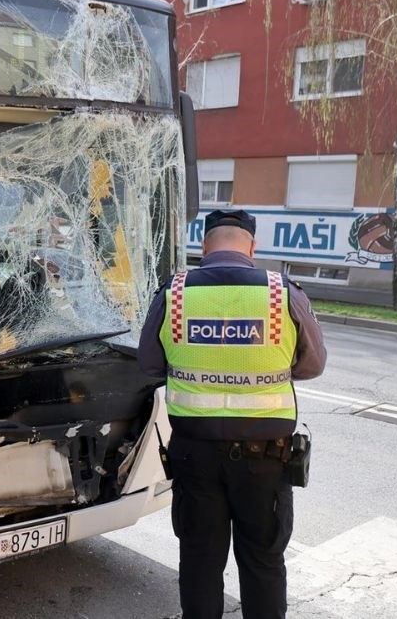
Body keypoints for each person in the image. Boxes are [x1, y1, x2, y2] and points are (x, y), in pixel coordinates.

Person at [137, 209, 326, 619]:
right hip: (266, 460)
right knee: (263, 561)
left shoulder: (174, 293)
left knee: (201, 563)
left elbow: (150, 365)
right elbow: (312, 366)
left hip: (194, 456)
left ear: (204, 247)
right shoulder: (282, 292)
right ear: (252, 247)